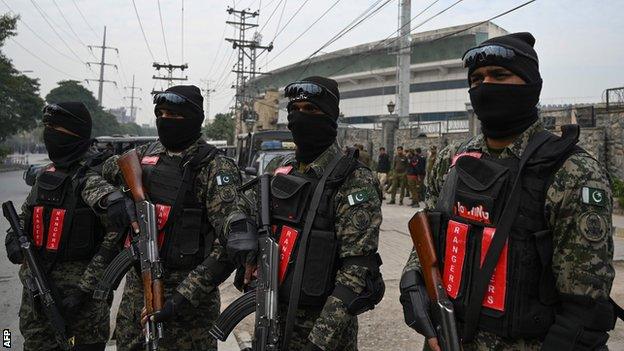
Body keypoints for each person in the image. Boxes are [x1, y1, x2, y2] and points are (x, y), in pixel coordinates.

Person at [400, 32, 622, 350]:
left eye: (500, 75)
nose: (485, 85)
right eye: (476, 78)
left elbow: (583, 306)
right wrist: (418, 298)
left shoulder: (571, 171)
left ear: (531, 85)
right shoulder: (454, 159)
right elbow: (429, 243)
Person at [225, 76, 384, 350]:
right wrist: (248, 247)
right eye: (294, 110)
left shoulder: (354, 179)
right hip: (271, 318)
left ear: (331, 116)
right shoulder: (279, 167)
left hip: (324, 336)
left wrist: (316, 342)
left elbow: (356, 272)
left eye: (310, 109)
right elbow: (239, 206)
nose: (299, 117)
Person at [81, 85, 241, 350]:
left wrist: (181, 298)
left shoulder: (215, 168)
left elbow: (229, 245)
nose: (166, 120)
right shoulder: (144, 156)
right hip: (136, 298)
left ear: (195, 118)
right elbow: (90, 174)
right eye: (161, 113)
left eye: (175, 115)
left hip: (188, 312)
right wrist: (111, 198)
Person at [5, 102, 111, 350]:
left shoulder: (98, 175)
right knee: (9, 339)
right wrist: (13, 236)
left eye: (57, 127)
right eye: (47, 126)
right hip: (37, 301)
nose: (50, 132)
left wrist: (85, 290)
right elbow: (26, 216)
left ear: (76, 131)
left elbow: (116, 241)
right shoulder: (46, 176)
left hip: (83, 310)